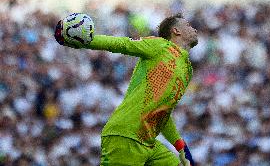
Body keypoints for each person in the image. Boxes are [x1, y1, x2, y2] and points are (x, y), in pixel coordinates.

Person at [54, 13, 198, 166]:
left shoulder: (187, 70)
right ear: (176, 31)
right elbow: (123, 44)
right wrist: (86, 41)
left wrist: (180, 146)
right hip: (125, 136)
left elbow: (162, 112)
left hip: (148, 142)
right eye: (188, 25)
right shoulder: (161, 46)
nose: (194, 29)